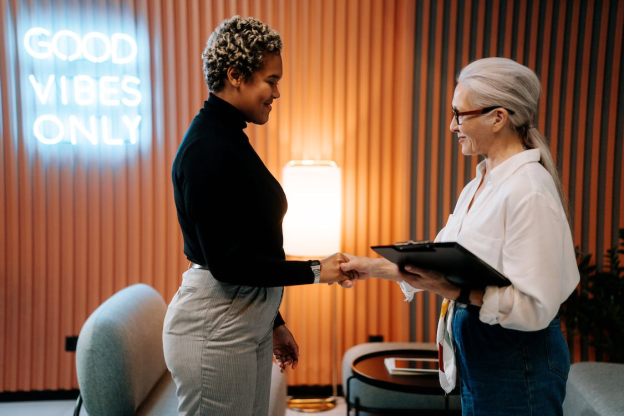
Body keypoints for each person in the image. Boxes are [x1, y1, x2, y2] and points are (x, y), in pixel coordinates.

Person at [340, 57, 580, 416]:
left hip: (516, 366)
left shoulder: (529, 190)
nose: (452, 126)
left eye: (460, 114)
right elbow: (441, 263)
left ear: (498, 118)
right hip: (481, 359)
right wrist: (369, 267)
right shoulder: (480, 183)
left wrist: (453, 292)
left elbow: (535, 308)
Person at [163, 16, 353, 416]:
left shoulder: (229, 137)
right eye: (271, 80)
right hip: (215, 326)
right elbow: (228, 262)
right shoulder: (206, 149)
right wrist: (317, 270)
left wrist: (273, 320)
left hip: (242, 317)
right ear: (235, 75)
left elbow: (252, 243)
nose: (277, 92)